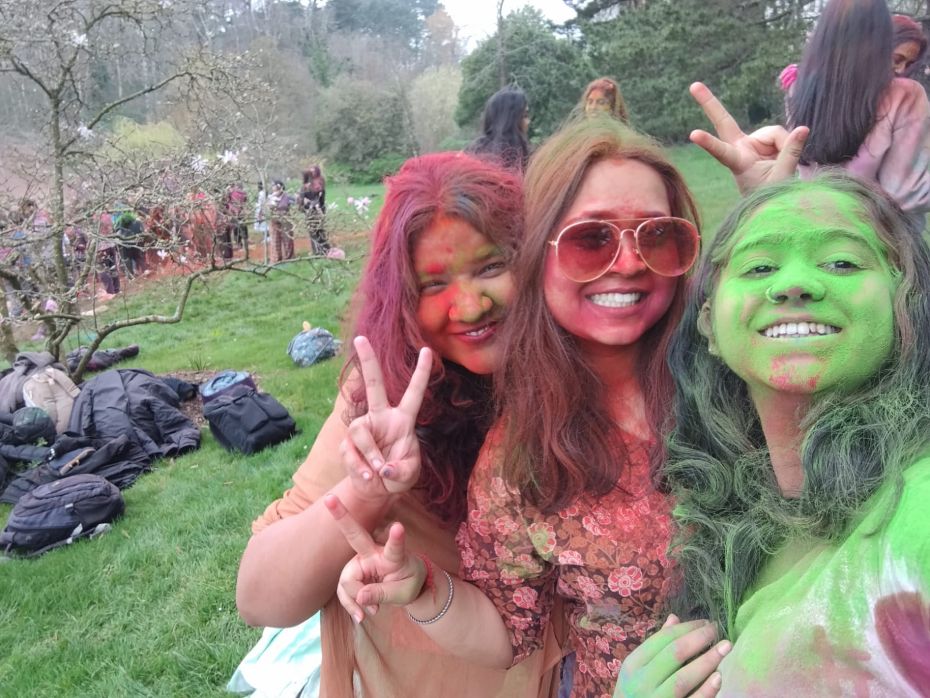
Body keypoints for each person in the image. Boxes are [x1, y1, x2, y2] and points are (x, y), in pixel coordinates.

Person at [328, 119, 704, 697]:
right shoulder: (521, 451)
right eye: (591, 239)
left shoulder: (732, 375)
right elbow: (507, 628)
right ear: (537, 256)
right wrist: (422, 590)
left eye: (657, 235)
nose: (629, 262)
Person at [236, 152, 561, 697]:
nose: (470, 305)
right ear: (403, 303)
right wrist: (366, 494)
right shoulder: (388, 395)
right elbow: (260, 597)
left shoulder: (582, 370)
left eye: (489, 267)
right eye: (433, 286)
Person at [617, 172, 930, 697]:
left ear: (909, 304)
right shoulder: (740, 526)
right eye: (760, 266)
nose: (793, 284)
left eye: (842, 262)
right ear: (709, 326)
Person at [787, 0, 930, 228]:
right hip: (880, 244)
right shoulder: (904, 94)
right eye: (897, 59)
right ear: (880, 38)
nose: (902, 70)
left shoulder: (798, 90)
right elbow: (907, 193)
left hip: (814, 234)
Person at [467, 86, 532, 171]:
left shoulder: (473, 152)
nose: (529, 122)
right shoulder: (520, 159)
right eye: (525, 116)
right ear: (511, 121)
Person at [299, 166, 330, 256]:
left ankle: (323, 249)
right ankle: (317, 251)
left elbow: (320, 197)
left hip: (317, 209)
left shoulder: (319, 183)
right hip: (310, 211)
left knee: (319, 230)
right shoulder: (305, 187)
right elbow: (301, 201)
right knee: (313, 232)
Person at [267, 179, 294, 262]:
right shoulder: (270, 197)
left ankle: (288, 257)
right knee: (275, 239)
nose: (273, 188)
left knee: (287, 238)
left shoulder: (287, 196)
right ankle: (276, 258)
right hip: (274, 220)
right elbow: (267, 207)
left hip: (285, 219)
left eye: (275, 186)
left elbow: (293, 203)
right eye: (273, 187)